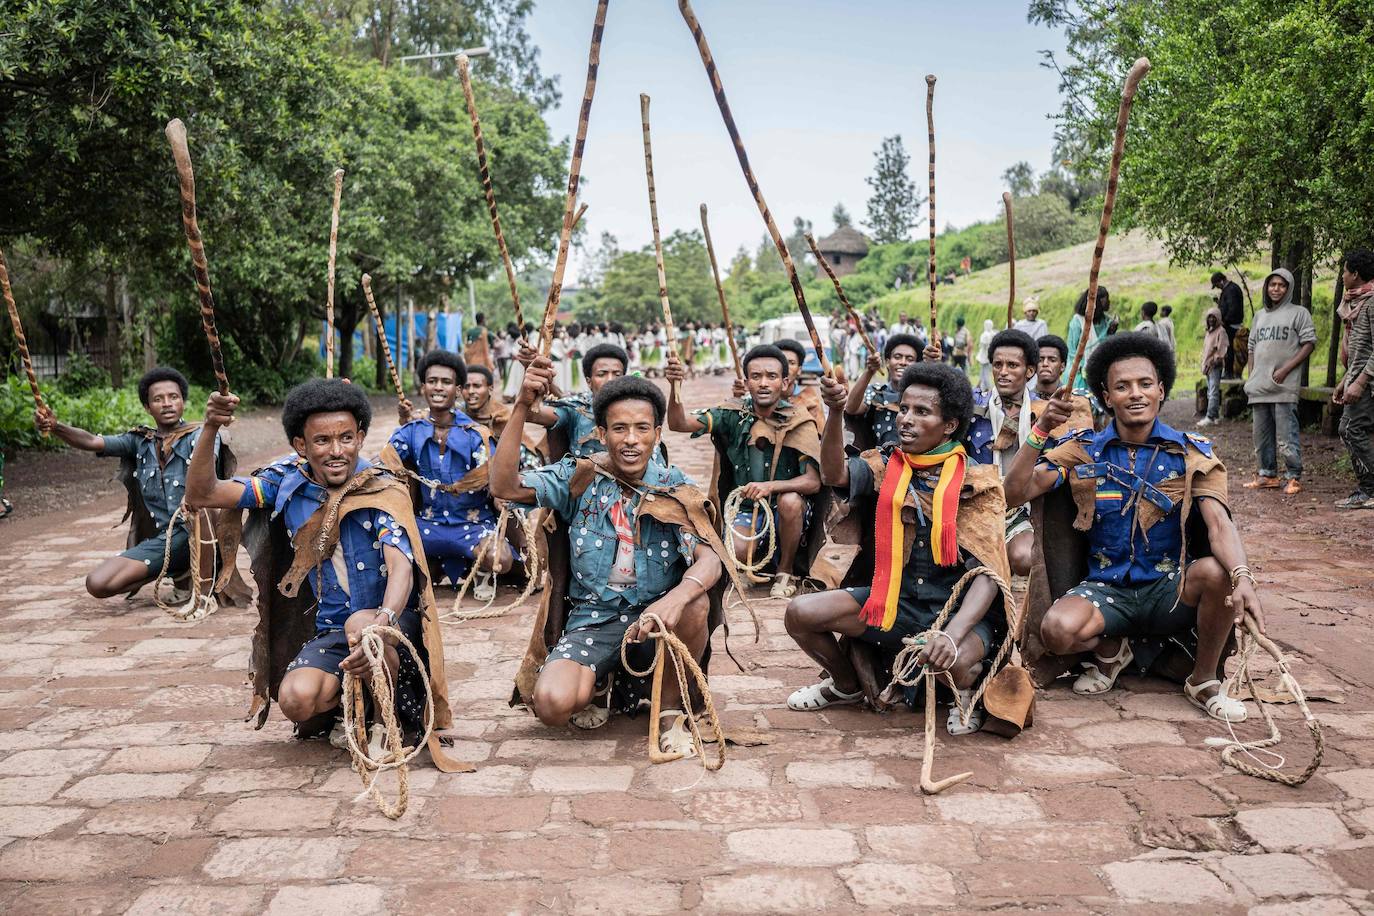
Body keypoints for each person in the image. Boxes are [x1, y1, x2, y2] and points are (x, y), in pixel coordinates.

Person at [184, 378, 459, 764]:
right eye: (322, 441)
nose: (336, 451)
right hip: (335, 630)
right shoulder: (286, 484)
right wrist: (210, 426)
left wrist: (382, 622)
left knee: (362, 626)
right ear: (301, 445)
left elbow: (402, 571)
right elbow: (202, 494)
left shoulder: (381, 487)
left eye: (346, 438)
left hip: (394, 626)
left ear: (360, 437)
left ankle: (387, 723)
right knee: (295, 700)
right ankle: (350, 704)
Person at [1004, 332, 1262, 722]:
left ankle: (1204, 679)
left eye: (1145, 384)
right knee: (1055, 630)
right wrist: (1039, 432)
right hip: (1106, 590)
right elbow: (1014, 494)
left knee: (1215, 572)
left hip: (1170, 589)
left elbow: (1218, 524)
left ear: (1161, 390)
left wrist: (1242, 577)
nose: (1135, 394)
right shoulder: (1081, 448)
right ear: (1107, 397)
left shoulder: (1190, 452)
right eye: (1122, 386)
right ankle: (1111, 650)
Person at [493, 365, 729, 752]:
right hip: (594, 619)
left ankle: (670, 712)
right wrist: (520, 406)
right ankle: (601, 684)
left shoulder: (675, 487)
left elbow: (710, 561)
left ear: (657, 433)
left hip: (657, 622)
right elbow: (504, 485)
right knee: (551, 706)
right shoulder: (580, 476)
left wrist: (673, 599)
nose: (631, 440)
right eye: (619, 428)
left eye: (641, 428)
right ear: (601, 434)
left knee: (695, 603)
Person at [784, 362, 1011, 735]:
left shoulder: (979, 483)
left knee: (952, 662)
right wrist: (836, 411)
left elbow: (989, 575)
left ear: (950, 425)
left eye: (922, 412)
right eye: (903, 409)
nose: (906, 419)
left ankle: (965, 693)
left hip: (959, 616)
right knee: (800, 613)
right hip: (893, 603)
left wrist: (951, 635)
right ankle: (845, 686)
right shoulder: (885, 463)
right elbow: (833, 474)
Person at [34, 367, 240, 616]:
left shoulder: (203, 435)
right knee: (97, 583)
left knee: (99, 582)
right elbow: (91, 441)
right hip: (163, 541)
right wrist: (56, 426)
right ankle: (178, 574)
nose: (167, 404)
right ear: (147, 407)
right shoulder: (139, 440)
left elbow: (206, 476)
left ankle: (189, 574)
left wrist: (212, 425)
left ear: (183, 401)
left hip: (197, 535)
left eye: (173, 397)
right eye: (158, 399)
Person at [666, 345, 821, 599]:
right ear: (746, 382)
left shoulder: (798, 418)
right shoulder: (732, 414)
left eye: (771, 377)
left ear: (784, 382)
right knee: (736, 550)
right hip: (747, 508)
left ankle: (786, 571)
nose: (763, 383)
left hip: (788, 511)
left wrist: (771, 487)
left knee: (790, 501)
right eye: (756, 376)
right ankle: (748, 562)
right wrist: (675, 387)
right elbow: (678, 423)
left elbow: (813, 482)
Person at [967, 330, 1092, 578]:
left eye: (1012, 365)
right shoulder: (971, 405)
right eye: (998, 365)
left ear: (1029, 371)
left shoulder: (1048, 411)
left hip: (1025, 507)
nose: (1003, 372)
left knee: (1025, 557)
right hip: (977, 504)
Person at [390, 349, 514, 600]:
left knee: (500, 558)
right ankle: (426, 571)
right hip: (427, 525)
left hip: (473, 524)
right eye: (432, 381)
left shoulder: (476, 434)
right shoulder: (410, 431)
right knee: (386, 548)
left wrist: (501, 496)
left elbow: (494, 477)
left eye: (446, 382)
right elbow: (385, 462)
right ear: (423, 387)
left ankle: (480, 571)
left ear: (457, 390)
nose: (438, 387)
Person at [1242, 268, 1316, 496]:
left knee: (1286, 435)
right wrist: (1252, 375)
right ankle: (1267, 474)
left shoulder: (1299, 313)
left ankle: (1293, 477)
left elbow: (1309, 343)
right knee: (1261, 436)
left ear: (1289, 288)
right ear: (1267, 287)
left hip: (1284, 386)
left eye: (1281, 285)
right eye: (1272, 284)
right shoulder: (1260, 316)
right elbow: (1251, 346)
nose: (1276, 289)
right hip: (1259, 387)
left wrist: (1285, 369)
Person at [521, 342, 630, 459]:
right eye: (602, 374)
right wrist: (532, 373)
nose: (610, 380)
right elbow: (531, 415)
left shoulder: (638, 408)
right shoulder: (576, 409)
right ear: (589, 382)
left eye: (617, 374)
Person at [1334, 248, 1374, 509]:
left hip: (1368, 384)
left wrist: (1360, 382)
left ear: (1355, 274)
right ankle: (1367, 489)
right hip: (1358, 378)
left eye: (1345, 271)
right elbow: (1359, 351)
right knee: (1349, 429)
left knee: (1349, 429)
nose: (1342, 276)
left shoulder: (1371, 303)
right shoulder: (1356, 303)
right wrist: (1344, 380)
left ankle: (1369, 489)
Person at [843, 332, 923, 450]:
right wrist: (869, 371)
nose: (903, 362)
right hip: (878, 463)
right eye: (897, 357)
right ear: (887, 362)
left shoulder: (923, 396)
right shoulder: (876, 392)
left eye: (909, 359)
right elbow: (851, 408)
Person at [1065, 286, 1115, 392]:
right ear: (1097, 301)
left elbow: (1107, 346)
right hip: (1080, 372)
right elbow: (1072, 349)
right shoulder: (1078, 321)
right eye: (1106, 299)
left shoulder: (1107, 321)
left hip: (1100, 368)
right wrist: (1080, 366)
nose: (1109, 302)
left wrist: (1111, 332)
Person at [772, 338, 825, 428]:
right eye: (780, 362)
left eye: (791, 363)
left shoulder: (811, 403)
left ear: (799, 370)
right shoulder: (759, 400)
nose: (785, 368)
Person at [1211, 271, 1246, 378]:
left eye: (1217, 285)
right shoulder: (1229, 289)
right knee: (1226, 349)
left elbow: (1233, 308)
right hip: (1229, 324)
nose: (1218, 288)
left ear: (1221, 281)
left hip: (1231, 325)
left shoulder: (1231, 290)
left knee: (1228, 349)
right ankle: (1228, 372)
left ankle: (1229, 373)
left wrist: (1224, 321)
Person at [1199, 307, 1227, 426]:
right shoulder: (1209, 332)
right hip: (1208, 366)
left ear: (1218, 318)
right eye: (1209, 317)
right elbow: (1207, 350)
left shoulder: (1221, 331)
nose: (1211, 319)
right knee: (1211, 391)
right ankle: (1215, 415)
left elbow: (1221, 350)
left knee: (1213, 391)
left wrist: (1212, 362)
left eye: (1213, 317)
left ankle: (1210, 416)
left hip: (1215, 366)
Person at [974, 318, 997, 389]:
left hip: (985, 356)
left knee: (985, 372)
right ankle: (982, 385)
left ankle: (987, 386)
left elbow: (982, 345)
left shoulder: (985, 335)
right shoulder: (993, 334)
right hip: (989, 355)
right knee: (983, 372)